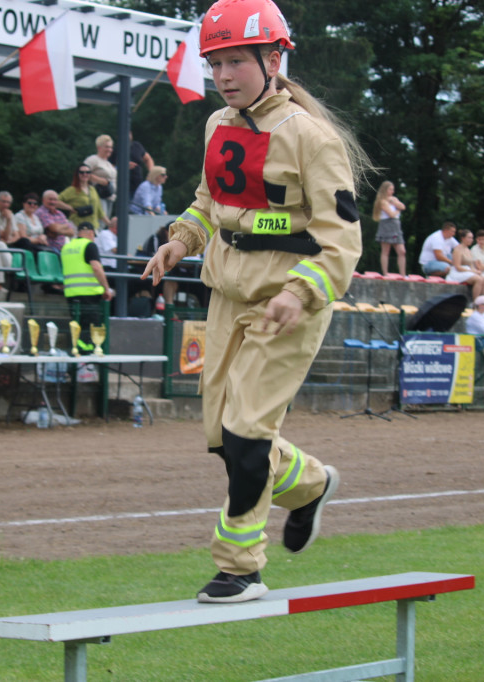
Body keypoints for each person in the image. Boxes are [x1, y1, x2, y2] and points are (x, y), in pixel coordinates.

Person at [142, 0, 366, 604]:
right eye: (215, 64)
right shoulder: (217, 126)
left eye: (236, 61)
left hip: (286, 306)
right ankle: (311, 484)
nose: (224, 76)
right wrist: (179, 241)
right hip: (226, 294)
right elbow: (207, 201)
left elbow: (343, 241)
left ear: (273, 58)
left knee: (246, 432)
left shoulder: (311, 139)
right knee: (222, 434)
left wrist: (300, 292)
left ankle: (240, 567)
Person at [61, 222, 115, 354]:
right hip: (89, 293)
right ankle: (88, 356)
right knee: (90, 327)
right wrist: (106, 288)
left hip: (71, 293)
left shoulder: (66, 247)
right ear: (91, 233)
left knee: (76, 325)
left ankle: (77, 352)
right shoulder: (89, 245)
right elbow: (96, 268)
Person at [58, 164, 115, 233]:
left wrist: (109, 223)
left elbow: (99, 210)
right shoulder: (72, 190)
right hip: (77, 226)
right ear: (77, 174)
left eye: (87, 172)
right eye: (82, 172)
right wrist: (69, 208)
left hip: (92, 227)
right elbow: (56, 201)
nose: (85, 174)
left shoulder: (92, 189)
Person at [372, 180, 406, 277]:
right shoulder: (382, 201)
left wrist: (395, 204)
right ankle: (385, 273)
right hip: (387, 225)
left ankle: (403, 274)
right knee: (386, 250)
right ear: (385, 190)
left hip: (396, 227)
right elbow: (391, 214)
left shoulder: (393, 199)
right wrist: (397, 209)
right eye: (390, 189)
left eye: (393, 189)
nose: (392, 191)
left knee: (402, 251)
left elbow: (403, 206)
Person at [446, 228, 484, 300]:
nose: (471, 240)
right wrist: (472, 271)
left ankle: (483, 301)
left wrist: (476, 271)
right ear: (463, 238)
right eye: (469, 238)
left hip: (467, 271)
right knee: (479, 280)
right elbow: (457, 267)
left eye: (472, 238)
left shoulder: (468, 250)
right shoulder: (458, 250)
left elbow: (471, 265)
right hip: (458, 272)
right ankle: (475, 302)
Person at [84, 134, 117, 216]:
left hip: (110, 196)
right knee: (101, 222)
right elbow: (82, 173)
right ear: (99, 147)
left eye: (111, 147)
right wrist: (100, 180)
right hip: (98, 195)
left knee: (106, 222)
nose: (110, 149)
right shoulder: (92, 159)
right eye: (107, 147)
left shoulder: (109, 163)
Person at [36, 189, 75, 255]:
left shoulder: (60, 213)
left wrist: (57, 230)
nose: (53, 202)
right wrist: (65, 225)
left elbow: (71, 232)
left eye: (55, 200)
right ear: (43, 200)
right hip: (48, 249)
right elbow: (54, 228)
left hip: (63, 249)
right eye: (50, 199)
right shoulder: (41, 212)